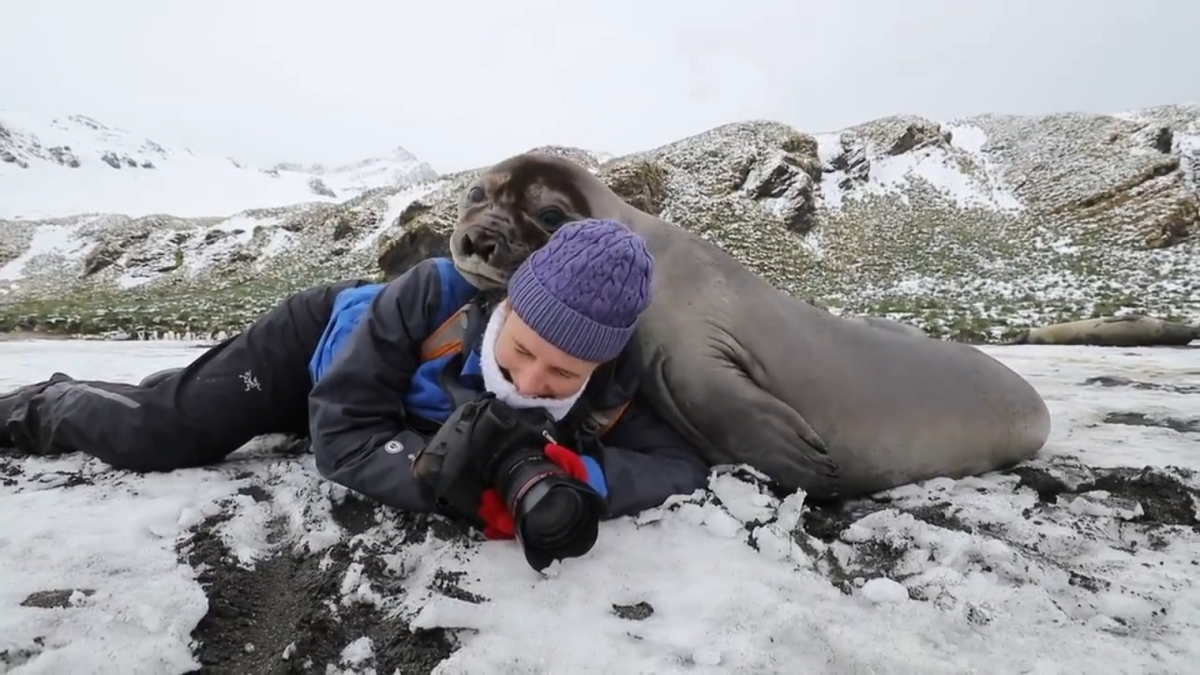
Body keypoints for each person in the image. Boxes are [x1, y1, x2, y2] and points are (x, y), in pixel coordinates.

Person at [1, 218, 709, 567]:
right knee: (160, 431)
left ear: (601, 363)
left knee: (190, 403)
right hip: (310, 353)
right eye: (521, 349)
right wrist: (443, 480)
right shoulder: (430, 294)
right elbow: (339, 435)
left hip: (386, 406)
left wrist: (577, 474)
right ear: (505, 304)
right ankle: (40, 401)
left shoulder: (615, 382)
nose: (531, 382)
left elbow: (678, 461)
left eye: (562, 375)